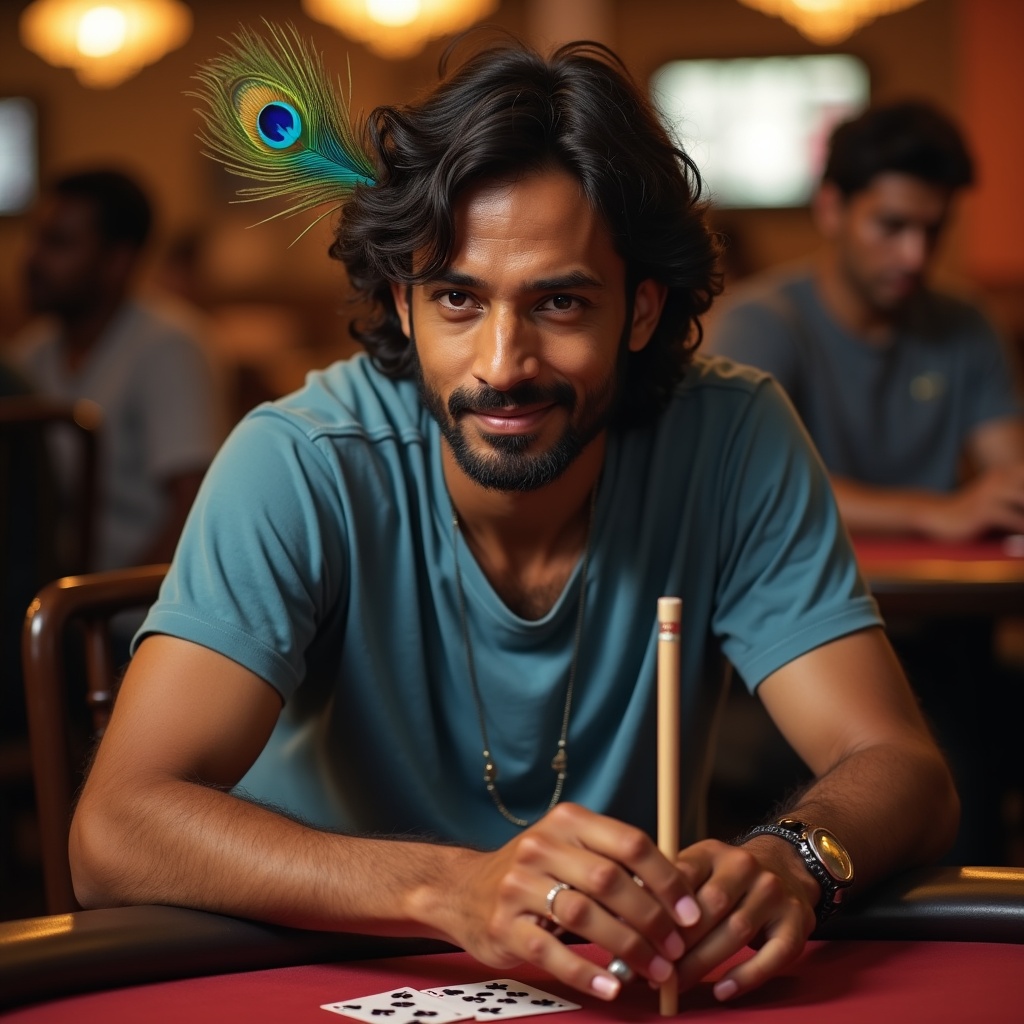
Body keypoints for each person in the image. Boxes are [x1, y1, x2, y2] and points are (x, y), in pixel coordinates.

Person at [70, 35, 957, 1006]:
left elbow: (899, 765)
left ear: (640, 310)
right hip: (309, 975)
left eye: (559, 302)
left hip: (610, 993)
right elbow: (114, 832)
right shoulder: (302, 461)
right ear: (404, 305)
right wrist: (450, 887)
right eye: (457, 297)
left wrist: (795, 856)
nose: (503, 364)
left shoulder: (731, 435)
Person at [707, 101, 1024, 540]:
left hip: (942, 583)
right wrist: (932, 513)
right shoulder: (759, 323)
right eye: (892, 226)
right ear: (831, 208)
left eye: (933, 230)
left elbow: (1009, 477)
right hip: (803, 584)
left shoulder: (968, 322)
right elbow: (743, 480)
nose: (915, 256)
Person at [11, 169, 223, 573]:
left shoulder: (169, 345)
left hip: (138, 597)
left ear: (117, 261)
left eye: (58, 243)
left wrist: (104, 603)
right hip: (61, 589)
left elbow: (194, 507)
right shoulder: (32, 352)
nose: (33, 259)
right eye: (35, 238)